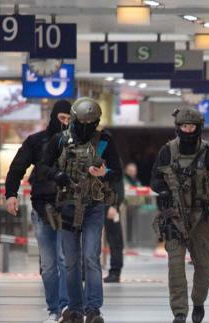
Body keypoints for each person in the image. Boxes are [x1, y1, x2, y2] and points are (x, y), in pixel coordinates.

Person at [41, 98, 123, 323]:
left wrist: (104, 173)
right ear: (75, 119)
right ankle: (75, 309)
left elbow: (117, 172)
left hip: (94, 206)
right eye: (82, 121)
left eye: (91, 122)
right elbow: (43, 166)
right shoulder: (61, 139)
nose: (86, 126)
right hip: (67, 206)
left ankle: (93, 309)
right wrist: (57, 175)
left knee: (91, 257)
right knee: (71, 260)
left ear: (96, 121)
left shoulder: (104, 140)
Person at [150, 108, 209, 323]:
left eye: (191, 127)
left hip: (200, 217)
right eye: (184, 127)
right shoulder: (167, 151)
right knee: (175, 266)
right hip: (174, 217)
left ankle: (198, 302)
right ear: (178, 128)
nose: (188, 130)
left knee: (204, 265)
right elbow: (155, 180)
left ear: (198, 128)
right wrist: (165, 190)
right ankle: (179, 312)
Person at [4, 100, 70, 323]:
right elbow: (16, 168)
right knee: (48, 265)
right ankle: (53, 308)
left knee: (63, 259)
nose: (65, 123)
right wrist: (11, 194)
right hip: (41, 208)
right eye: (62, 118)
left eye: (70, 119)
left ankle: (65, 307)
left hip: (67, 208)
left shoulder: (75, 142)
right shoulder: (36, 141)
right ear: (53, 117)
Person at [103, 175, 125, 283]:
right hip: (93, 203)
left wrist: (114, 205)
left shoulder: (111, 158)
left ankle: (115, 272)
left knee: (115, 240)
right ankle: (84, 271)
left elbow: (118, 184)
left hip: (109, 204)